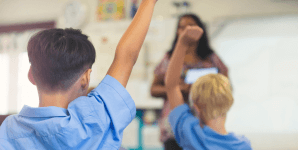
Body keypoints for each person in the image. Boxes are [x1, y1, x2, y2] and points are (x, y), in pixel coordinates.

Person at [0, 0, 157, 149]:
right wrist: (148, 2)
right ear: (86, 78)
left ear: (31, 76)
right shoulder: (96, 119)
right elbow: (126, 57)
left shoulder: (9, 130)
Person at [164, 25, 252, 150]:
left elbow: (171, 86)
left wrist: (182, 42)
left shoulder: (189, 133)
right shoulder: (243, 145)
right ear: (229, 103)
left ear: (196, 106)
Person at [150, 14, 228, 150]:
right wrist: (176, 89)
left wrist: (204, 89)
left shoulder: (211, 58)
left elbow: (226, 85)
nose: (186, 30)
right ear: (177, 31)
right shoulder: (169, 58)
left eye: (190, 26)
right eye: (181, 27)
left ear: (200, 29)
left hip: (205, 126)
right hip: (174, 129)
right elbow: (154, 89)